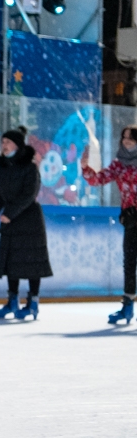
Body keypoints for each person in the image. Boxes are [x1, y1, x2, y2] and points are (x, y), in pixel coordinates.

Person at [0, 126, 53, 320]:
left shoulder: (30, 168)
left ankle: (33, 302)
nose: (4, 145)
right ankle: (13, 300)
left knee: (31, 262)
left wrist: (9, 214)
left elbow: (29, 195)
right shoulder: (4, 168)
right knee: (11, 261)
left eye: (7, 142)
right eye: (2, 142)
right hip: (11, 220)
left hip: (29, 220)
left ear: (17, 145)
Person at [82, 125, 137, 324]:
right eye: (124, 138)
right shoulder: (118, 164)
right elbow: (98, 179)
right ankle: (127, 306)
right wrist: (86, 168)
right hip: (131, 220)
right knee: (129, 263)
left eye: (131, 138)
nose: (127, 141)